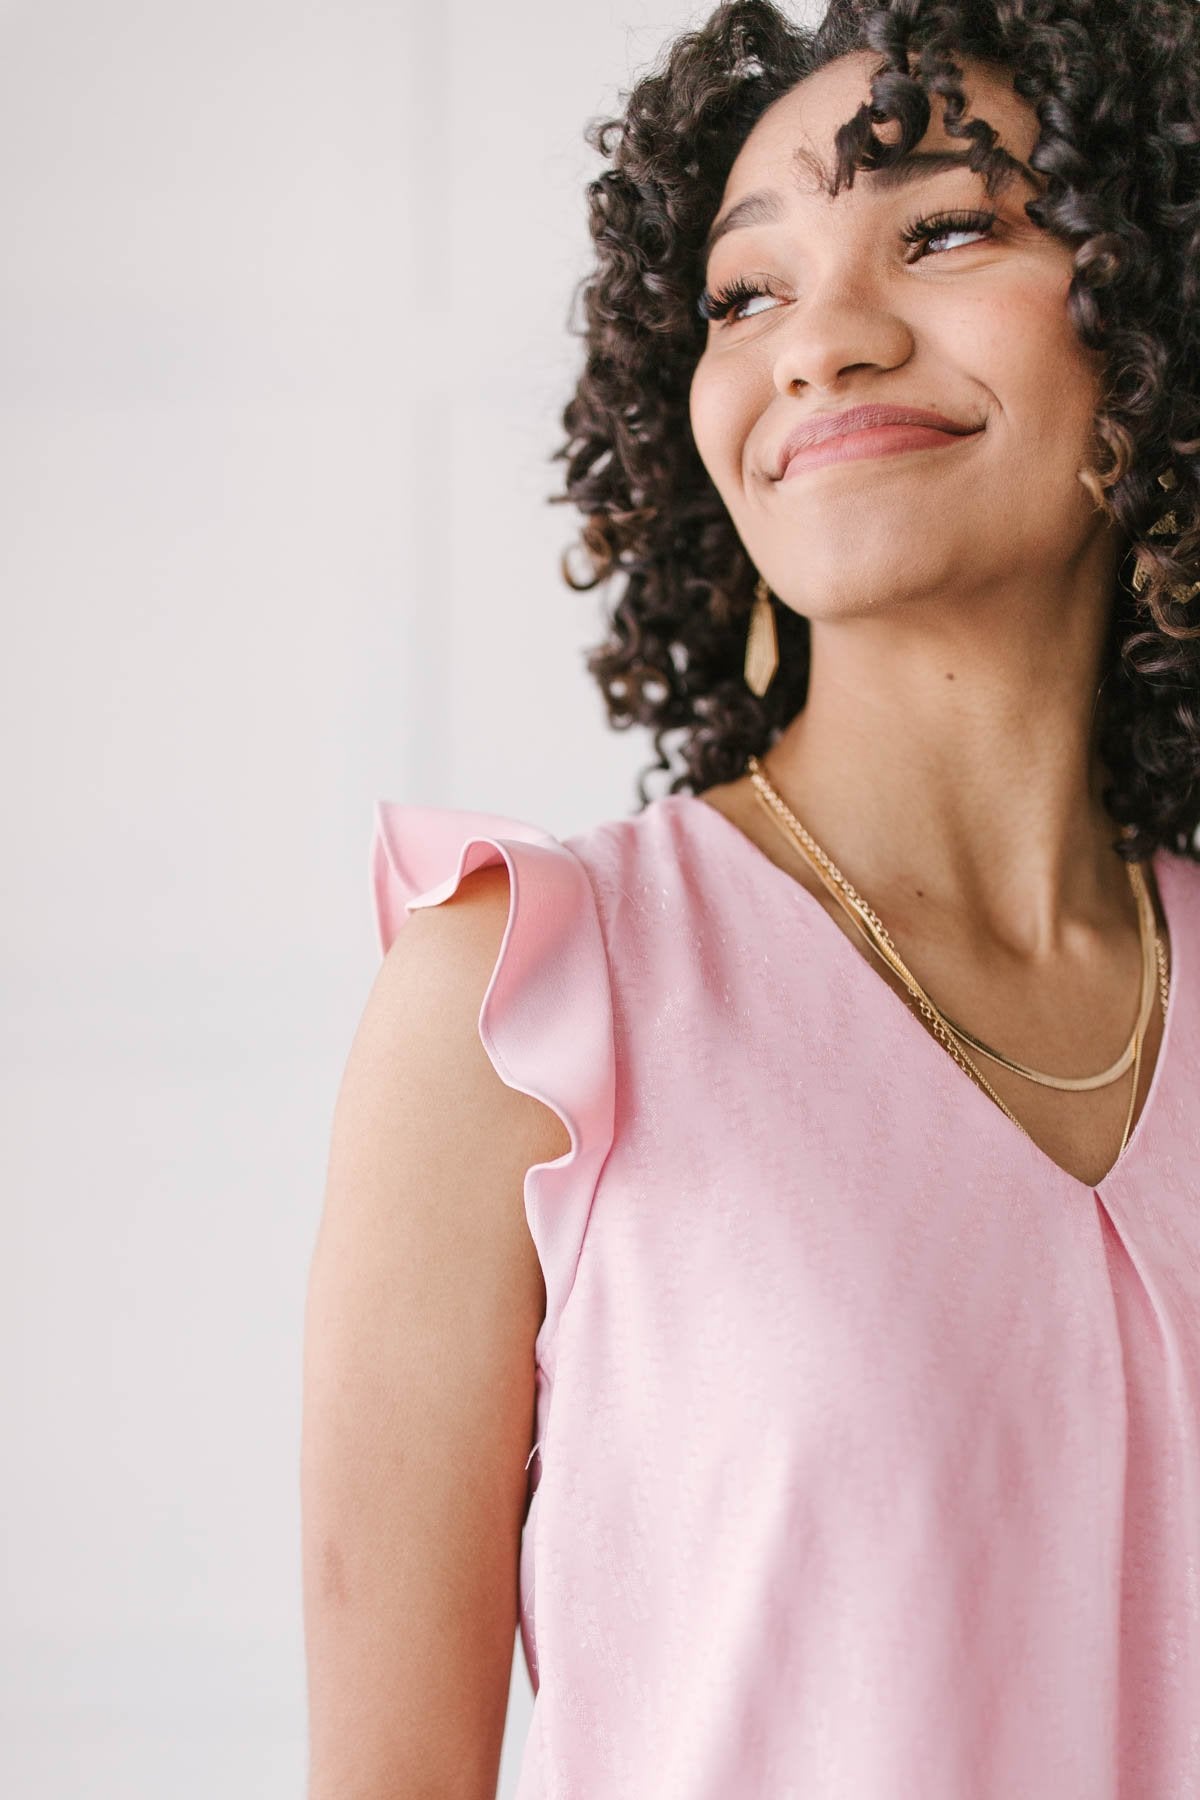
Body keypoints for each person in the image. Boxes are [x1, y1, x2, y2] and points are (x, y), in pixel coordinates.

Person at [301, 1, 1200, 1793]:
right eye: (742, 293)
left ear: (1158, 325)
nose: (823, 344)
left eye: (945, 230)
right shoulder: (525, 1005)